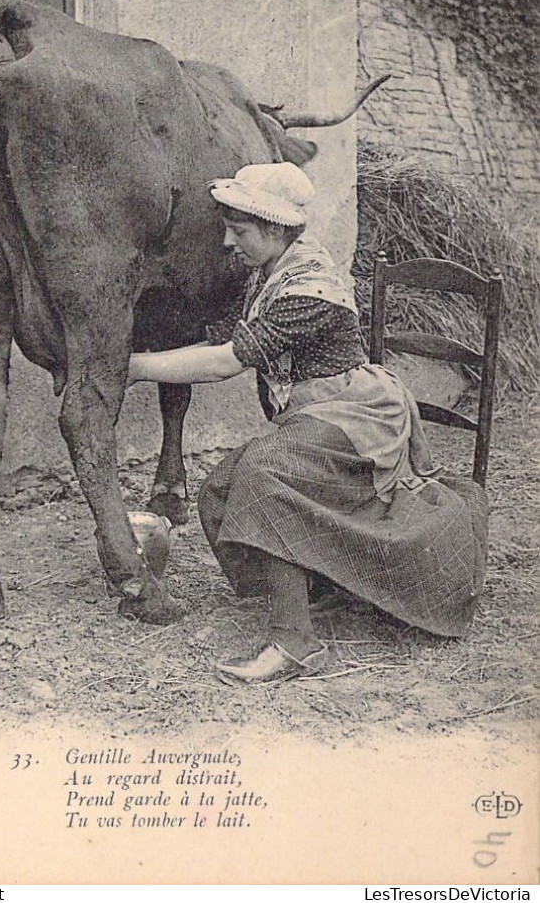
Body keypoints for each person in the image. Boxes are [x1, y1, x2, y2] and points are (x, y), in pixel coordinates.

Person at [127, 163, 489, 684]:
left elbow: (226, 360)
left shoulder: (308, 288)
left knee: (263, 474)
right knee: (219, 492)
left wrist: (133, 368)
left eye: (239, 228)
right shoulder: (269, 275)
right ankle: (319, 584)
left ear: (274, 229)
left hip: (358, 415)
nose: (228, 240)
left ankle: (297, 643)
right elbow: (218, 339)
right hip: (320, 415)